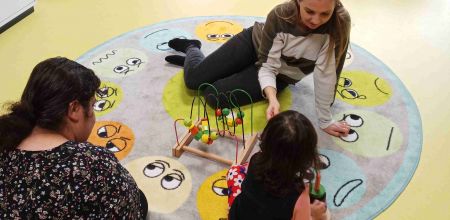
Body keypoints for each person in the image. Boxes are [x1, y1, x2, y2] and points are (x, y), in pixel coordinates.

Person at [165, 0, 351, 137]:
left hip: (282, 74)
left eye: (325, 14)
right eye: (309, 11)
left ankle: (208, 67)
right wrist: (271, 96)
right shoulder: (280, 14)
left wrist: (326, 120)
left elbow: (328, 74)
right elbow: (267, 65)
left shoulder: (339, 25)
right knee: (193, 80)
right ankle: (192, 48)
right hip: (254, 45)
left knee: (212, 95)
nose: (316, 20)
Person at [0, 57, 147, 219]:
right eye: (92, 105)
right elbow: (130, 210)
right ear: (75, 109)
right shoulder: (92, 163)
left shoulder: (6, 142)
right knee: (140, 199)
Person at [226, 110, 328, 220]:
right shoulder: (300, 196)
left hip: (238, 216)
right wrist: (316, 215)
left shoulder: (255, 159)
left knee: (235, 171)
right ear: (305, 157)